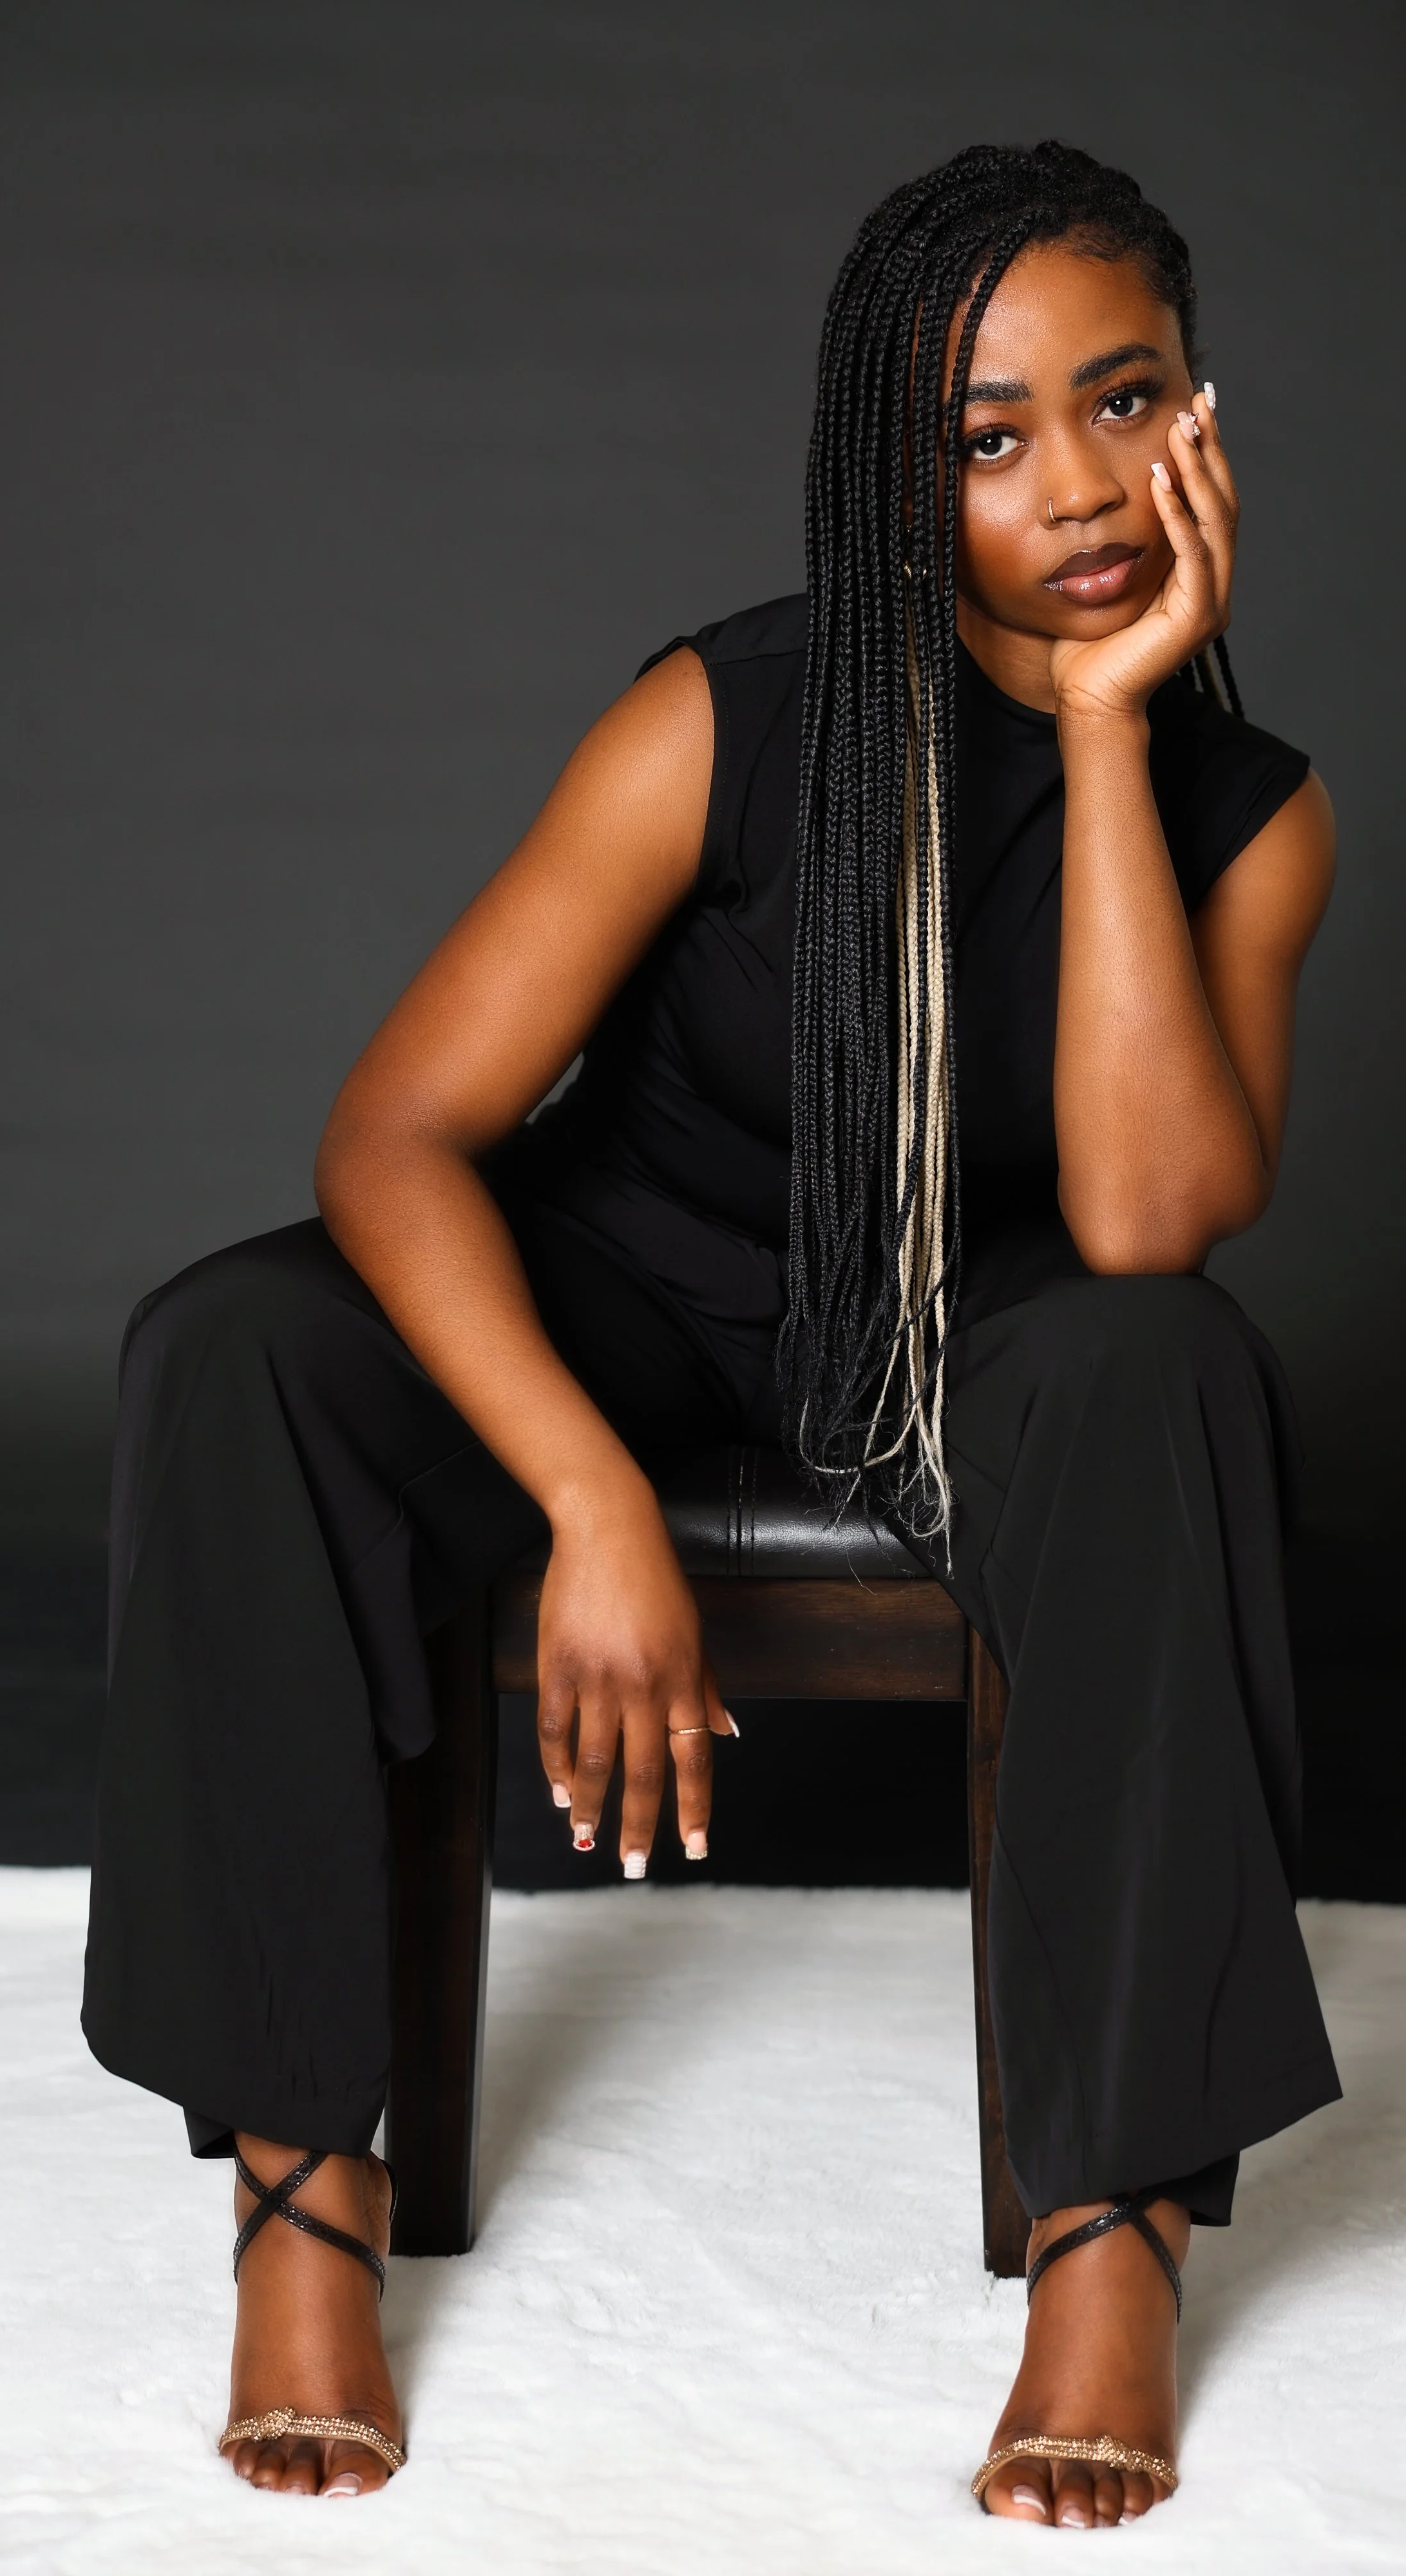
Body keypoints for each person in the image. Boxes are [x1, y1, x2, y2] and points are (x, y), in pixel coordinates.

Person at [83, 141, 1340, 2526]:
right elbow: (402, 1129)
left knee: (1166, 1361)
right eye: (988, 438)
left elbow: (1152, 1218)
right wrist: (581, 1495)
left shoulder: (1246, 814)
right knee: (229, 1350)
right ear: (897, 473)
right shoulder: (729, 716)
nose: (1071, 485)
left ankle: (1114, 2231)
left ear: (1197, 416)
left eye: (1121, 401)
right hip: (630, 1291)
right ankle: (297, 2195)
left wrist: (1103, 731)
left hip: (1005, 1333)